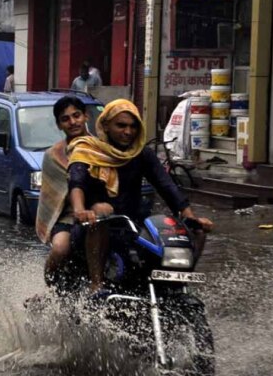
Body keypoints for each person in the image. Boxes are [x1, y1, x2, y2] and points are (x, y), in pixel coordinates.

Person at [68, 99, 213, 293]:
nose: (128, 132)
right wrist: (81, 211)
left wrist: (190, 217)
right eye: (121, 125)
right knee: (102, 212)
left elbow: (166, 185)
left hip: (133, 227)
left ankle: (177, 286)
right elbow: (77, 183)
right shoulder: (87, 150)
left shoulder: (142, 154)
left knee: (195, 232)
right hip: (92, 227)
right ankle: (97, 284)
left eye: (133, 126)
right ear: (106, 126)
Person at [34, 95, 98, 285]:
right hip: (68, 217)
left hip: (100, 214)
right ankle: (50, 289)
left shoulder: (103, 149)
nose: (72, 122)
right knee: (61, 248)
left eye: (76, 115)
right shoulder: (52, 156)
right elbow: (53, 197)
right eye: (65, 119)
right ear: (59, 125)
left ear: (86, 116)